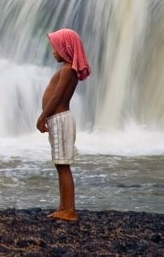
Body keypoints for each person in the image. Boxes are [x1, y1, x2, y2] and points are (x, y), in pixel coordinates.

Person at [36, 28, 91, 222]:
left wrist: (42, 116)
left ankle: (70, 210)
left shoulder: (67, 71)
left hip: (59, 120)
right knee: (61, 165)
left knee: (63, 166)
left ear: (66, 49)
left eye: (56, 48)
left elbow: (57, 96)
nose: (53, 52)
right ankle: (64, 206)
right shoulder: (68, 70)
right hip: (59, 120)